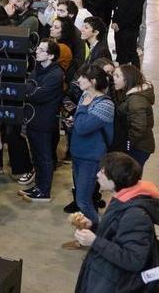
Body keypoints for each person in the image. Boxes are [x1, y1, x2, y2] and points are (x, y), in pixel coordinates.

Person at [73, 152, 159, 292]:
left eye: (103, 172)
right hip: (105, 274)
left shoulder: (136, 215)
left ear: (115, 179)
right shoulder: (123, 198)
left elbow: (134, 260)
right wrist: (94, 227)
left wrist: (95, 241)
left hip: (114, 283)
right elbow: (117, 232)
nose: (97, 175)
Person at [65, 65, 115, 250]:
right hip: (78, 153)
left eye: (82, 78)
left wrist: (80, 113)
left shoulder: (105, 104)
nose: (78, 81)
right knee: (81, 197)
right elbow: (80, 124)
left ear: (93, 81)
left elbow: (84, 127)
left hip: (91, 156)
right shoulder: (85, 97)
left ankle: (99, 236)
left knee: (83, 200)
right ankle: (88, 234)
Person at [18, 39, 65, 203]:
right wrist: (30, 89)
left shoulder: (56, 75)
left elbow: (37, 94)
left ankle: (44, 191)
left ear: (51, 55)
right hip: (32, 119)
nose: (37, 52)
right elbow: (29, 87)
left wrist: (30, 90)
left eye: (41, 50)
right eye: (38, 49)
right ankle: (38, 186)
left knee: (44, 157)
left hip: (44, 122)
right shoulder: (38, 68)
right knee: (36, 156)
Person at [113, 64, 155, 168]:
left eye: (117, 76)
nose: (114, 79)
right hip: (137, 145)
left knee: (131, 178)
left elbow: (138, 127)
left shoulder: (136, 100)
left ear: (128, 79)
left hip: (139, 148)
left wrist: (127, 144)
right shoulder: (129, 94)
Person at [112, 0, 147, 67]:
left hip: (129, 29)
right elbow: (117, 5)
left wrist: (120, 25)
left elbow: (133, 12)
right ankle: (122, 77)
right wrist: (114, 21)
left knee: (131, 54)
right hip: (118, 27)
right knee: (120, 53)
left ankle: (137, 78)